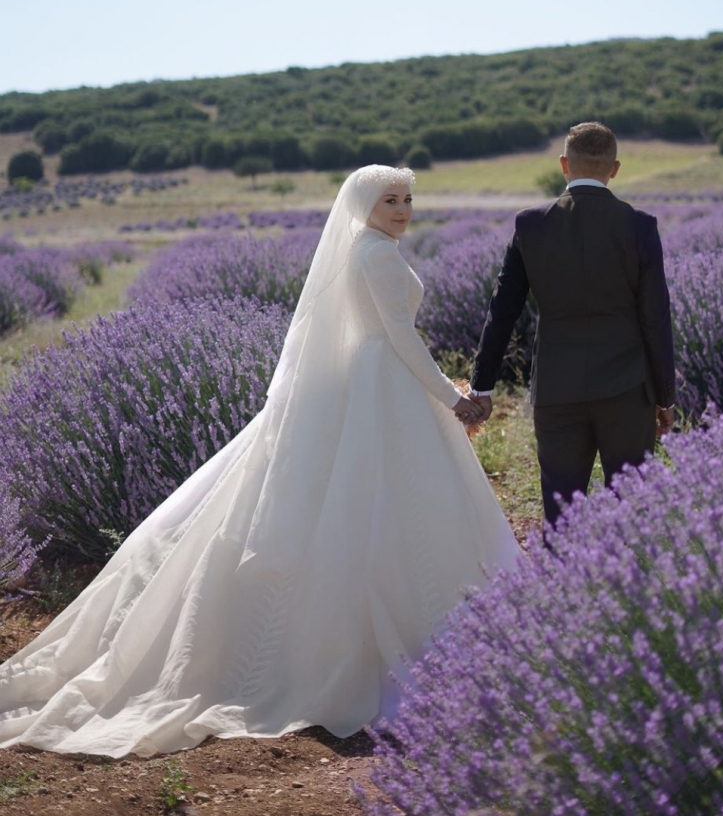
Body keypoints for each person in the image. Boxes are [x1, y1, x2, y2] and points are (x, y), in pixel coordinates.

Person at [0, 165, 519, 757]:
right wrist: (453, 399)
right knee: (386, 506)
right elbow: (401, 337)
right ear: (364, 206)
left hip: (381, 384)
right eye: (389, 200)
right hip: (386, 381)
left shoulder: (367, 247)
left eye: (406, 199)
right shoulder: (375, 254)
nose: (402, 210)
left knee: (370, 505)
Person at [469, 122, 676, 530]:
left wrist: (482, 387)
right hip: (627, 390)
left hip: (557, 389)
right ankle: (629, 591)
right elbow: (655, 318)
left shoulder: (531, 225)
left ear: (564, 164)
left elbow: (502, 310)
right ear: (614, 169)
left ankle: (562, 591)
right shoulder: (640, 226)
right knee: (632, 513)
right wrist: (665, 397)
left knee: (562, 516)